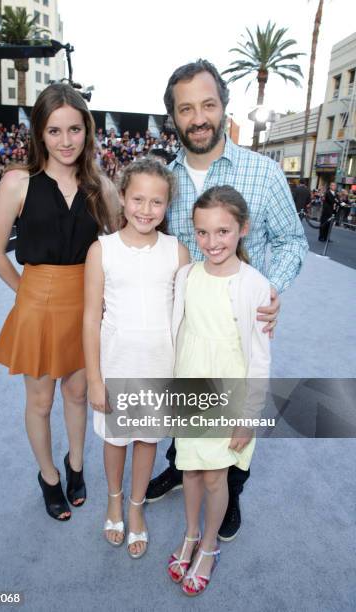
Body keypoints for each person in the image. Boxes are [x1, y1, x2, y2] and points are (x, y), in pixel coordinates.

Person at [146, 59, 308, 542]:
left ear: (224, 107)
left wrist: (269, 290)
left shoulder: (264, 172)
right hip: (186, 324)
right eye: (186, 108)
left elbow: (292, 242)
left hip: (237, 328)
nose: (198, 117)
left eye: (208, 105)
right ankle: (181, 466)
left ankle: (231, 490)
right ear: (173, 117)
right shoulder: (162, 182)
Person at [0, 83, 118, 522]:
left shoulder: (100, 186)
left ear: (87, 131)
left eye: (74, 129)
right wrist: (27, 292)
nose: (66, 141)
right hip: (38, 305)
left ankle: (76, 465)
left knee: (77, 393)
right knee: (40, 402)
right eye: (55, 130)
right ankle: (49, 477)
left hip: (86, 306)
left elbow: (121, 243)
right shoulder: (17, 181)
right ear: (40, 133)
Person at [167, 185, 270, 596]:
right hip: (190, 385)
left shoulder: (255, 286)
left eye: (223, 231)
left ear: (242, 229)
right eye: (203, 232)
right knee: (189, 467)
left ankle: (209, 546)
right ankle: (190, 535)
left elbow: (259, 358)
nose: (213, 242)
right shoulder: (185, 275)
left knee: (215, 476)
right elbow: (177, 332)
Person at [83, 158, 189, 558]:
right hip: (117, 363)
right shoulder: (102, 250)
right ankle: (114, 498)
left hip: (159, 367)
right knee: (116, 439)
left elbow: (185, 316)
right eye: (138, 199)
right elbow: (91, 316)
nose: (146, 210)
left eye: (156, 202)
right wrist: (95, 378)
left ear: (167, 206)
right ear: (123, 198)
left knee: (146, 439)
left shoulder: (176, 252)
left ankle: (136, 505)